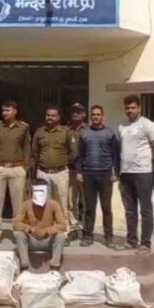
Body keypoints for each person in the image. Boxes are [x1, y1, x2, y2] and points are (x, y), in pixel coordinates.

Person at [118, 95, 154, 255]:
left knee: (145, 210)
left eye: (133, 107)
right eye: (127, 108)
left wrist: (146, 160)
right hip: (125, 173)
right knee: (130, 210)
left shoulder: (148, 125)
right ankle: (131, 241)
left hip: (143, 173)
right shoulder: (122, 126)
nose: (130, 110)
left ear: (139, 108)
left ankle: (145, 244)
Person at [0, 100, 31, 246]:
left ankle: (17, 232)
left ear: (15, 111)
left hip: (17, 168)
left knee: (18, 204)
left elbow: (27, 147)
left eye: (8, 110)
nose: (5, 113)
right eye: (3, 110)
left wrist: (25, 166)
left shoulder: (23, 128)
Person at [31, 105, 77, 246]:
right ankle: (45, 232)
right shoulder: (39, 132)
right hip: (43, 172)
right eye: (48, 115)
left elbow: (73, 152)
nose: (50, 118)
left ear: (58, 117)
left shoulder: (66, 132)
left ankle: (64, 233)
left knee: (62, 204)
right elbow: (35, 152)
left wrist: (62, 162)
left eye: (53, 115)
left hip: (60, 173)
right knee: (42, 204)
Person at [76, 105, 120, 249]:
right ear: (90, 117)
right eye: (93, 114)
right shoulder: (84, 134)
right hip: (88, 175)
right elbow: (81, 154)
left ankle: (109, 237)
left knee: (106, 208)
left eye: (98, 114)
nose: (96, 117)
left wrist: (116, 172)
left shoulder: (110, 133)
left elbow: (115, 155)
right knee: (89, 208)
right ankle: (88, 235)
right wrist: (79, 171)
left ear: (103, 117)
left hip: (105, 175)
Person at [13, 179, 67, 271]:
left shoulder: (54, 204)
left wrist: (47, 230)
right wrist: (29, 229)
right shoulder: (26, 205)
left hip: (48, 241)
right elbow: (15, 223)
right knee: (18, 234)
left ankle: (55, 265)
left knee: (61, 236)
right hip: (32, 241)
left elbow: (63, 225)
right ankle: (24, 263)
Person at [67, 103, 89, 241]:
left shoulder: (89, 129)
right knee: (71, 202)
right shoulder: (66, 130)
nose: (75, 114)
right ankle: (73, 228)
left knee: (87, 201)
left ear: (84, 114)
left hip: (86, 171)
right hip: (71, 170)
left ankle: (87, 229)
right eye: (73, 111)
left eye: (79, 111)